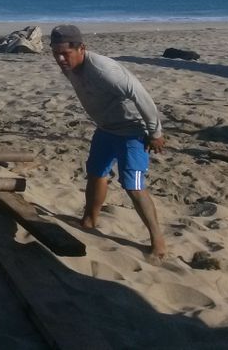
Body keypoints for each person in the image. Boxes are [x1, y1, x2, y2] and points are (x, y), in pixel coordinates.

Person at [49, 24, 167, 259]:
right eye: (55, 53)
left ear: (82, 48)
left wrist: (155, 133)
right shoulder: (69, 67)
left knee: (132, 185)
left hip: (132, 131)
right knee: (95, 173)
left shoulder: (104, 70)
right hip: (105, 129)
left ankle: (158, 242)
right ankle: (89, 221)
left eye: (65, 53)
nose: (61, 59)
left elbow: (141, 95)